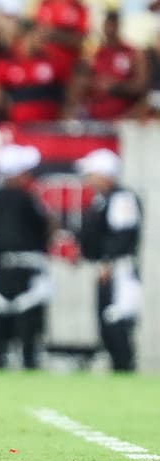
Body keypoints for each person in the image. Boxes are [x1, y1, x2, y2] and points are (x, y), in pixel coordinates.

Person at [0, 145, 53, 369]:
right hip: (27, 267)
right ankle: (29, 362)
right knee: (29, 323)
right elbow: (44, 227)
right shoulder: (27, 199)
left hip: (0, 266)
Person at [76, 149, 142, 372]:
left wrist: (108, 260)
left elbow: (122, 234)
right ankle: (117, 366)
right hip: (106, 267)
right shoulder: (101, 200)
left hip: (119, 268)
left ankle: (124, 366)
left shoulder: (122, 198)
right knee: (105, 322)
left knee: (117, 318)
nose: (88, 179)